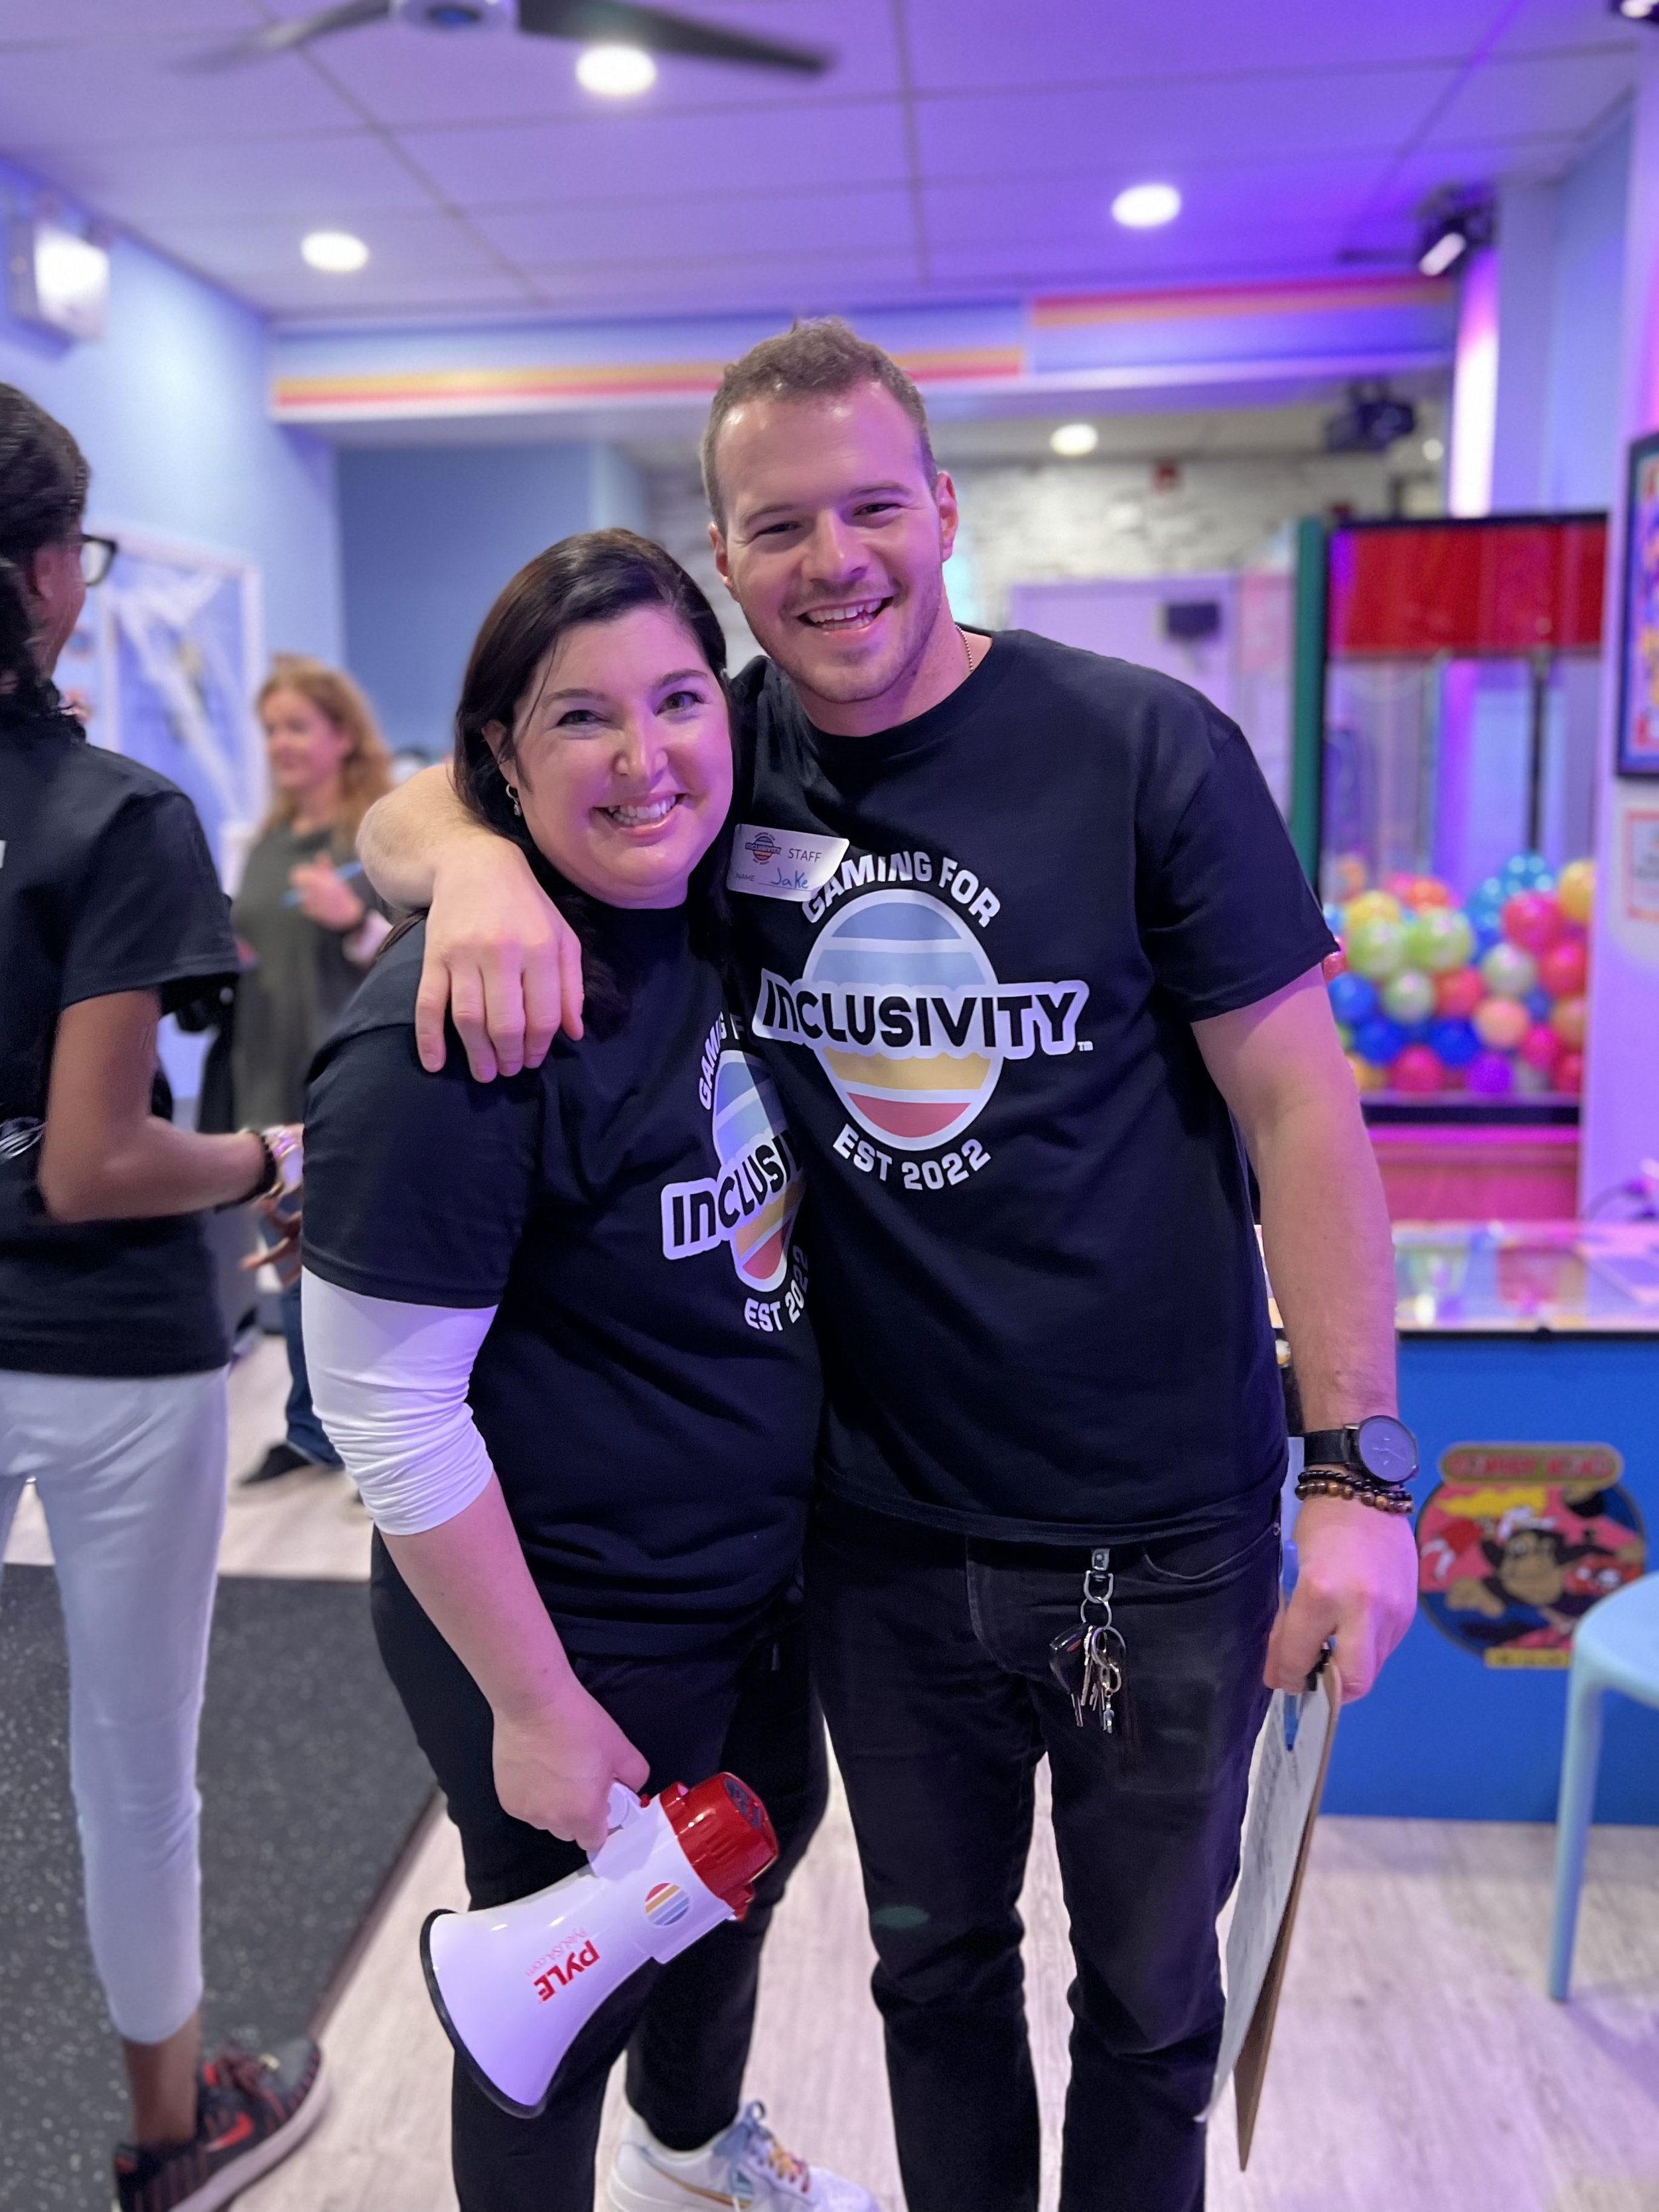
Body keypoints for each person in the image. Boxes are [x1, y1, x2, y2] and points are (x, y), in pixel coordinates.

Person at [357, 322, 1419, 2212]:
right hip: (880, 1540)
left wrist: (1346, 1476)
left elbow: (1300, 1115)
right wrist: (476, 867)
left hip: (1157, 1536)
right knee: (932, 1980)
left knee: (1154, 2014)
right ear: (725, 550)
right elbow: (440, 783)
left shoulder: (1139, 744)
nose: (831, 557)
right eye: (778, 525)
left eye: (870, 506)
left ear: (944, 507)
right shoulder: (706, 742)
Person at [299, 530, 876, 2212]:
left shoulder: (693, 916)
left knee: (746, 1863)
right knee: (551, 2005)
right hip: (569, 1624)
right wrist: (539, 1707)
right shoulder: (458, 1024)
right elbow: (387, 1417)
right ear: (499, 754)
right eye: (580, 721)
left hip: (739, 1593)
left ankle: (691, 2144)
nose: (646, 758)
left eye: (681, 701)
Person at [0, 384, 325, 2211]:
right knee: (135, 1765)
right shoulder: (116, 815)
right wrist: (268, 1158)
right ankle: (167, 2129)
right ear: (47, 573)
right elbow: (96, 1161)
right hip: (108, 1345)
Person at [232, 656, 393, 1487]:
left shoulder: (378, 837)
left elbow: (414, 956)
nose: (280, 745)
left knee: (360, 1281)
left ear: (340, 734)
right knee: (292, 1276)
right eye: (270, 731)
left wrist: (354, 919)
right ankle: (310, 1433)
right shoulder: (266, 844)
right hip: (265, 1088)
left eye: (296, 726)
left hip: (352, 1093)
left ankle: (380, 1449)